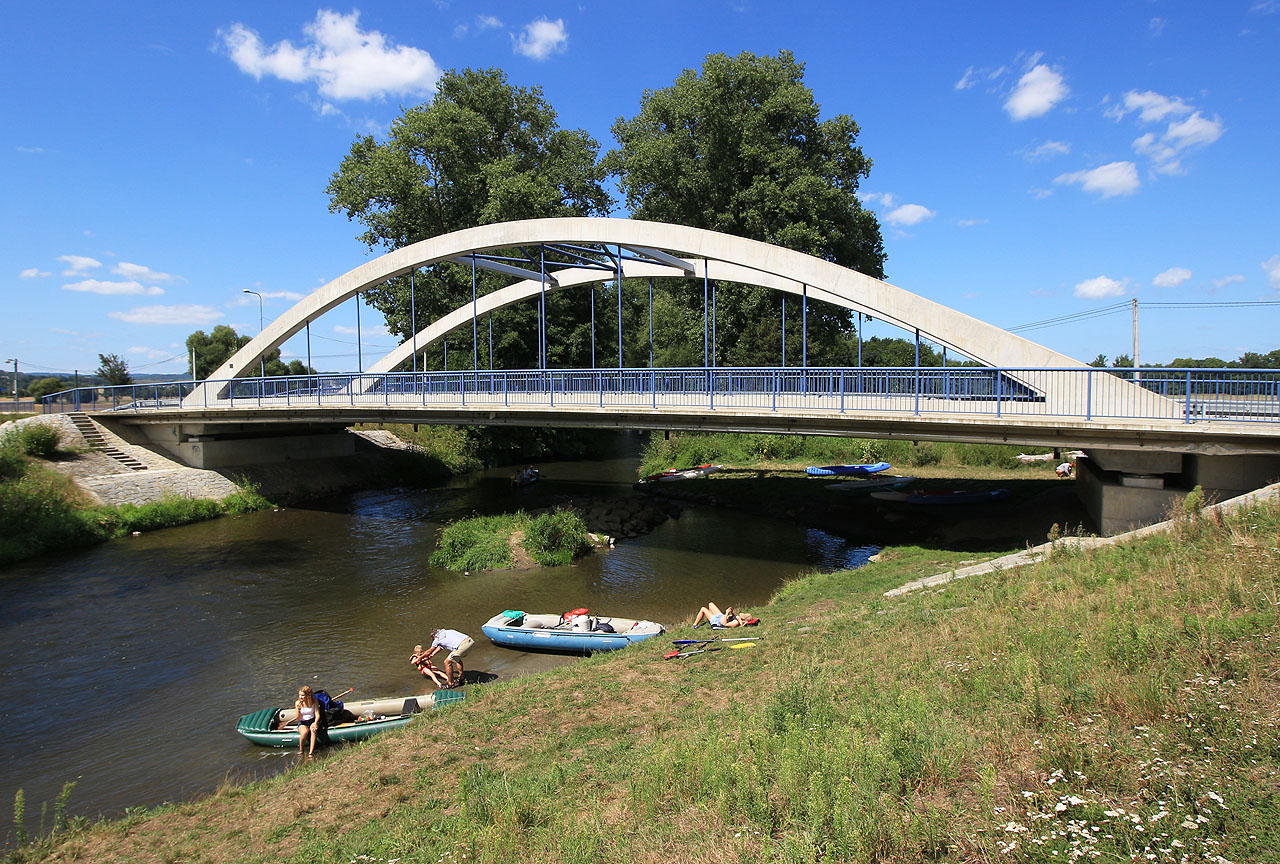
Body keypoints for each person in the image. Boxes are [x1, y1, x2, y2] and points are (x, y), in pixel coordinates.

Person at [290, 685, 321, 756]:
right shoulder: (297, 703)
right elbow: (298, 718)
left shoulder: (314, 702)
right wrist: (299, 709)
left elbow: (317, 714)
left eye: (302, 695)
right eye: (299, 695)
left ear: (308, 695)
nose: (300, 697)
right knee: (304, 732)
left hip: (312, 720)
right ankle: (301, 750)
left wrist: (315, 723)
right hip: (303, 722)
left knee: (313, 731)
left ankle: (311, 753)